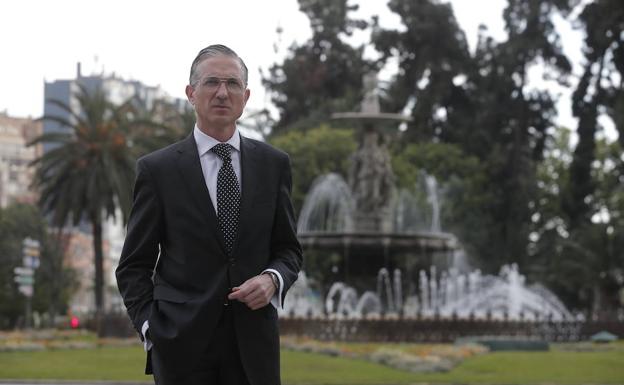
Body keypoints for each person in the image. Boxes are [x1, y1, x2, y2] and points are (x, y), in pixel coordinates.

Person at [116, 44, 303, 385]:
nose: (222, 92)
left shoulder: (274, 165)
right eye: (211, 82)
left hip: (254, 349)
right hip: (180, 348)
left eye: (232, 84)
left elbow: (289, 249)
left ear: (245, 97)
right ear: (191, 93)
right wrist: (151, 328)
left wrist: (272, 279)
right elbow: (133, 266)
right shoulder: (158, 170)